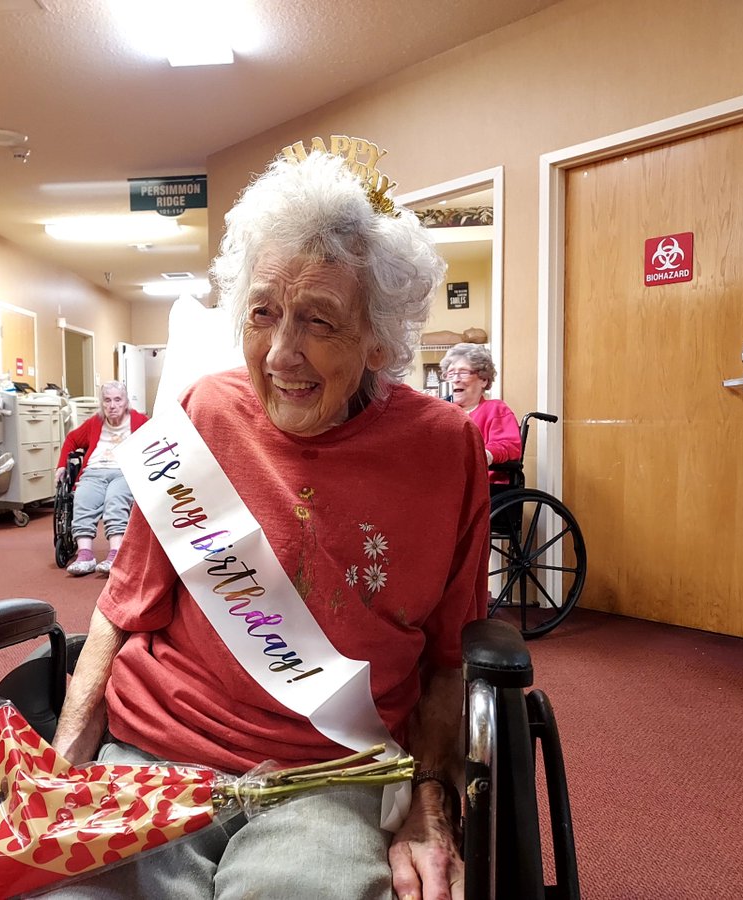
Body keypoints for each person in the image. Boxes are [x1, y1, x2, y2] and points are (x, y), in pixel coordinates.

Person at [49, 143, 489, 899]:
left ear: (379, 336)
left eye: (319, 321)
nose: (281, 354)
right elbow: (120, 612)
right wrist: (59, 773)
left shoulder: (446, 450)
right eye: (262, 312)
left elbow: (448, 658)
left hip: (329, 777)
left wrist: (429, 809)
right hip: (156, 756)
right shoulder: (202, 416)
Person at [55, 382, 148, 576]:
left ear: (126, 402)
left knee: (115, 501)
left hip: (124, 471)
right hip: (94, 471)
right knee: (82, 499)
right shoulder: (95, 422)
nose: (112, 405)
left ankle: (115, 554)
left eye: (117, 399)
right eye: (107, 400)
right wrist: (62, 465)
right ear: (102, 403)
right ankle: (85, 556)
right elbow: (71, 439)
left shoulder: (140, 421)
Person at [439, 342, 521, 483]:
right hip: (449, 485)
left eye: (463, 372)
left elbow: (508, 445)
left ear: (483, 379)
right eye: (451, 373)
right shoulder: (442, 414)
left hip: (484, 486)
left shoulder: (495, 409)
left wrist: (485, 455)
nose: (456, 379)